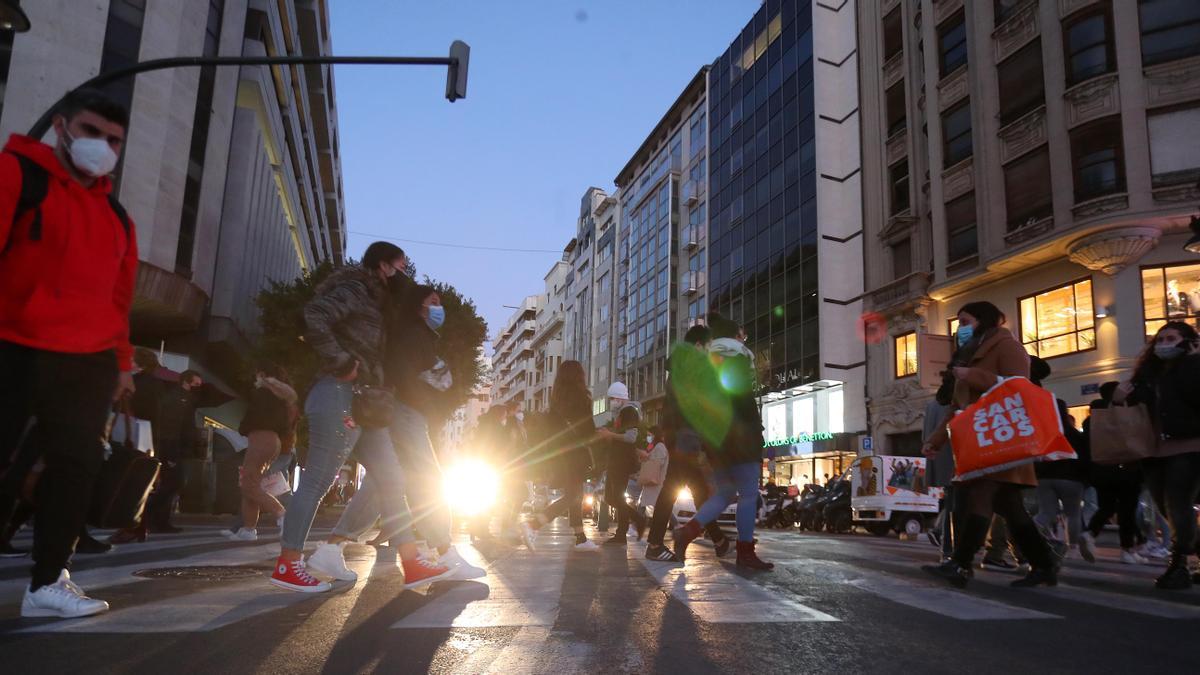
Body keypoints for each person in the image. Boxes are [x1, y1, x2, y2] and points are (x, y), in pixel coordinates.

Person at [0, 88, 138, 618]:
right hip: (14, 345)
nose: (101, 146)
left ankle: (47, 584)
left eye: (114, 140)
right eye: (90, 131)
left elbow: (119, 298)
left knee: (75, 470)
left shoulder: (118, 217)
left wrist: (123, 364)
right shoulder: (16, 175)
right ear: (61, 127)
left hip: (89, 359)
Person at [272, 242, 442, 592]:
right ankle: (288, 564)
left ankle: (411, 564)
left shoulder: (378, 300)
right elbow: (315, 315)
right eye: (402, 265)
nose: (406, 273)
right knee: (318, 479)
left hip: (367, 402)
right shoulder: (355, 289)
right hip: (338, 393)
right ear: (384, 265)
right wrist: (341, 361)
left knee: (392, 479)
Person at [324, 285, 484, 584]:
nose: (439, 308)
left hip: (400, 410)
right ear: (418, 305)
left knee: (382, 481)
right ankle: (445, 552)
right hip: (405, 411)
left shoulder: (410, 332)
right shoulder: (414, 334)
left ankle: (331, 548)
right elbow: (428, 376)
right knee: (430, 479)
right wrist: (442, 377)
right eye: (433, 302)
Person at [921, 301, 1057, 588]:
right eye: (959, 322)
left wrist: (974, 376)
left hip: (1000, 438)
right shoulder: (968, 355)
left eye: (965, 321)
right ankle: (1044, 563)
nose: (960, 328)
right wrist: (935, 439)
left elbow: (1019, 386)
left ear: (984, 320)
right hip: (979, 439)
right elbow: (957, 408)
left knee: (979, 498)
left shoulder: (1007, 346)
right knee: (1010, 507)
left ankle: (960, 564)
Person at [673, 315, 773, 570]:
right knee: (749, 494)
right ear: (735, 337)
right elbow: (739, 399)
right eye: (741, 334)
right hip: (740, 437)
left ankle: (687, 532)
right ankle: (745, 552)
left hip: (716, 440)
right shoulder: (736, 358)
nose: (743, 339)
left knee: (726, 492)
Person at [1113, 321, 1200, 590]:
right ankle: (1188, 554)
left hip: (1188, 445)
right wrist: (1118, 398)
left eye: (1171, 338)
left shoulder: (1193, 367)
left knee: (1177, 504)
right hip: (1152, 450)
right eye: (1159, 339)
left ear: (1187, 341)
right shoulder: (1149, 374)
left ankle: (1179, 564)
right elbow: (1133, 411)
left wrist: (1194, 360)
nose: (1163, 343)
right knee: (1166, 508)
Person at [645, 325, 730, 562]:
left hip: (680, 436)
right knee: (674, 492)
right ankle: (655, 544)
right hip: (685, 438)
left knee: (697, 491)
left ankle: (719, 540)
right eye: (708, 347)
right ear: (698, 345)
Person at [111, 370, 203, 542]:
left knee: (173, 484)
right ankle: (152, 518)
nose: (198, 388)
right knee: (170, 484)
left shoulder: (186, 400)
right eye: (195, 384)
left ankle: (158, 520)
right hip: (173, 447)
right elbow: (174, 427)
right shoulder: (177, 399)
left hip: (179, 448)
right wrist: (173, 451)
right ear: (186, 382)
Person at [522, 360, 600, 551]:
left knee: (575, 494)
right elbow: (588, 430)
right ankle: (533, 524)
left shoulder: (556, 400)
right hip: (574, 455)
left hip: (559, 454)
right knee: (573, 496)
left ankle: (580, 537)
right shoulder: (582, 398)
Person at [224, 363, 298, 542]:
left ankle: (281, 514)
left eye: (257, 374)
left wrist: (243, 428)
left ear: (263, 375)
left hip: (260, 438)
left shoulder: (263, 394)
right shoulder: (280, 397)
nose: (255, 378)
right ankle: (248, 528)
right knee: (252, 484)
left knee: (248, 484)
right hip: (273, 441)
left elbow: (253, 418)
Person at [1079, 381, 1146, 565]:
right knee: (1128, 510)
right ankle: (1127, 550)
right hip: (1126, 468)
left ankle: (1090, 532)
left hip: (1101, 470)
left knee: (1107, 506)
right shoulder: (1123, 414)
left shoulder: (1091, 420)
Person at [1029, 357, 1089, 562]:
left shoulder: (1044, 432)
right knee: (1073, 514)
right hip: (1071, 479)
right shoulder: (1075, 435)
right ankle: (1073, 547)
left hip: (1045, 477)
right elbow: (1084, 458)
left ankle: (1029, 535)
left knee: (1046, 513)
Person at [595, 381, 647, 545]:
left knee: (615, 496)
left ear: (620, 398)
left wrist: (610, 434)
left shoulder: (629, 411)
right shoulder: (621, 413)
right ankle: (635, 521)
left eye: (612, 398)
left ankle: (623, 532)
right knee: (611, 497)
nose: (611, 402)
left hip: (622, 462)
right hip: (616, 461)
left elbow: (631, 437)